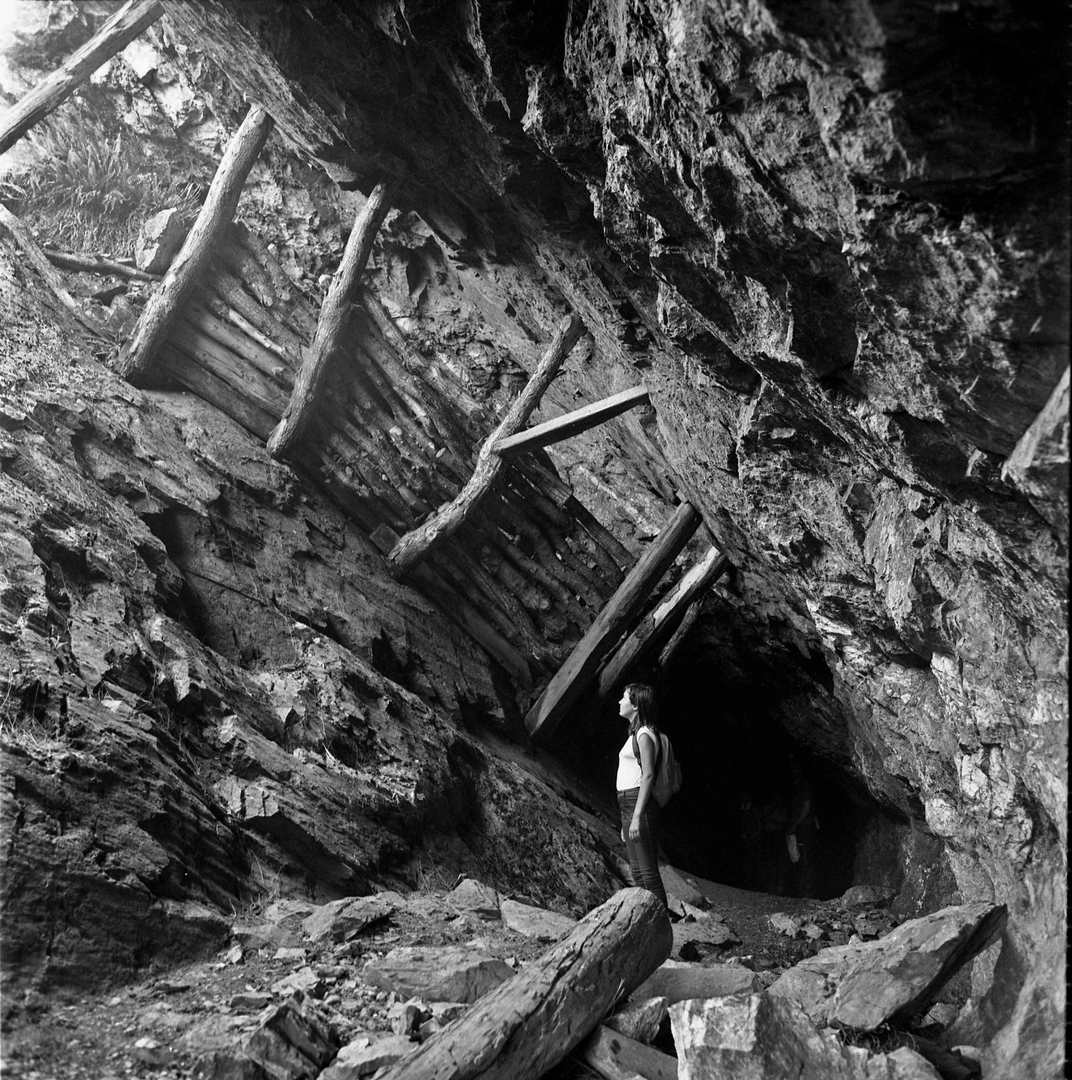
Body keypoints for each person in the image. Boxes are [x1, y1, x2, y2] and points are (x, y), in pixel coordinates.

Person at [615, 682, 668, 908]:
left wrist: (636, 816)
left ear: (635, 705)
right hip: (628, 804)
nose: (620, 701)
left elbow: (647, 775)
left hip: (639, 804)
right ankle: (649, 919)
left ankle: (662, 921)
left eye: (624, 698)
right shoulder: (635, 732)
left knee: (647, 872)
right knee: (637, 871)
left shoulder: (644, 734)